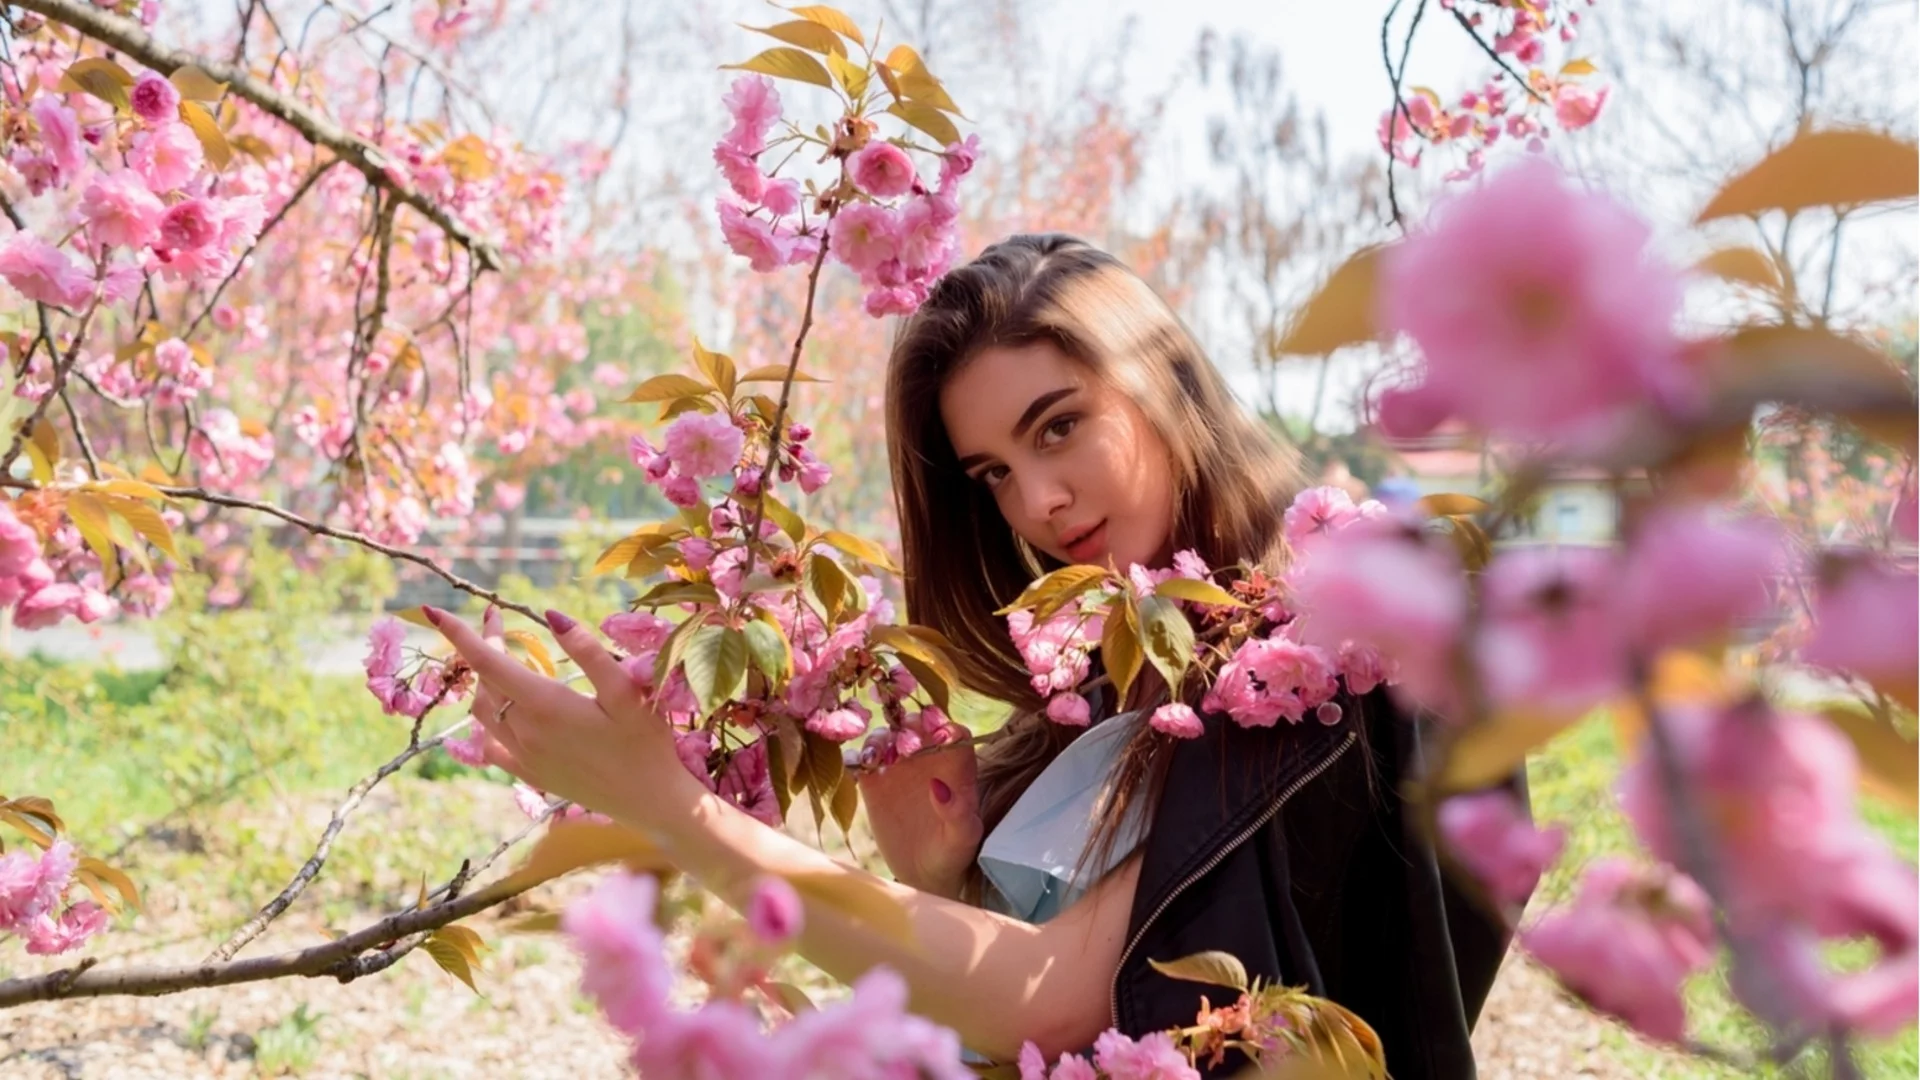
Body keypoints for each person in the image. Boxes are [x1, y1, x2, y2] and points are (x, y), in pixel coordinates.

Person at [432, 233, 1516, 1078]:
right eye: (993, 473)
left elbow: (1056, 998)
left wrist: (674, 810)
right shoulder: (1121, 671)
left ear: (1164, 383)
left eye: (1059, 426)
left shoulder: (1314, 645)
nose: (1038, 501)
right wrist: (941, 876)